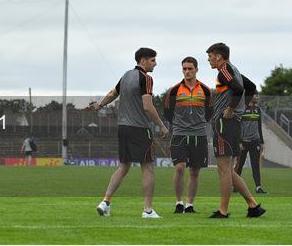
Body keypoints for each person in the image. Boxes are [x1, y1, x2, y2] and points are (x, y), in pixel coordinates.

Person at [89, 47, 169, 218]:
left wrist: (99, 105)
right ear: (143, 61)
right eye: (153, 60)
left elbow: (113, 93)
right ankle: (147, 210)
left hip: (123, 128)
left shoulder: (125, 75)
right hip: (139, 129)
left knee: (123, 167)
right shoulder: (146, 78)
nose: (156, 63)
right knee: (147, 168)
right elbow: (148, 107)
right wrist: (162, 125)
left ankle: (105, 202)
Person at [206, 43, 266, 218]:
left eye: (210, 56)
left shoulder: (224, 70)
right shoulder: (234, 70)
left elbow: (240, 89)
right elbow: (251, 86)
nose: (209, 59)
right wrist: (242, 107)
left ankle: (223, 211)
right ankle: (253, 206)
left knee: (224, 170)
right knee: (229, 171)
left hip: (224, 123)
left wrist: (232, 108)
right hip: (233, 124)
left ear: (218, 56)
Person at [164, 57, 212, 213]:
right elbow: (167, 112)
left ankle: (190, 205)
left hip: (199, 134)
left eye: (190, 68)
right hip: (179, 134)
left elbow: (209, 112)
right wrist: (178, 125)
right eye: (184, 68)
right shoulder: (174, 90)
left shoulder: (205, 90)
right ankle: (179, 203)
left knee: (195, 171)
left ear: (196, 69)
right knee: (179, 168)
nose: (187, 71)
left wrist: (199, 124)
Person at [235, 90, 267, 194]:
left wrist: (261, 142)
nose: (257, 97)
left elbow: (259, 127)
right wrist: (239, 142)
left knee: (255, 165)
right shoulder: (242, 109)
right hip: (243, 142)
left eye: (258, 95)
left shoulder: (258, 109)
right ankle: (236, 186)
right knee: (239, 165)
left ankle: (258, 187)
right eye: (255, 95)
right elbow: (238, 126)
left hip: (255, 142)